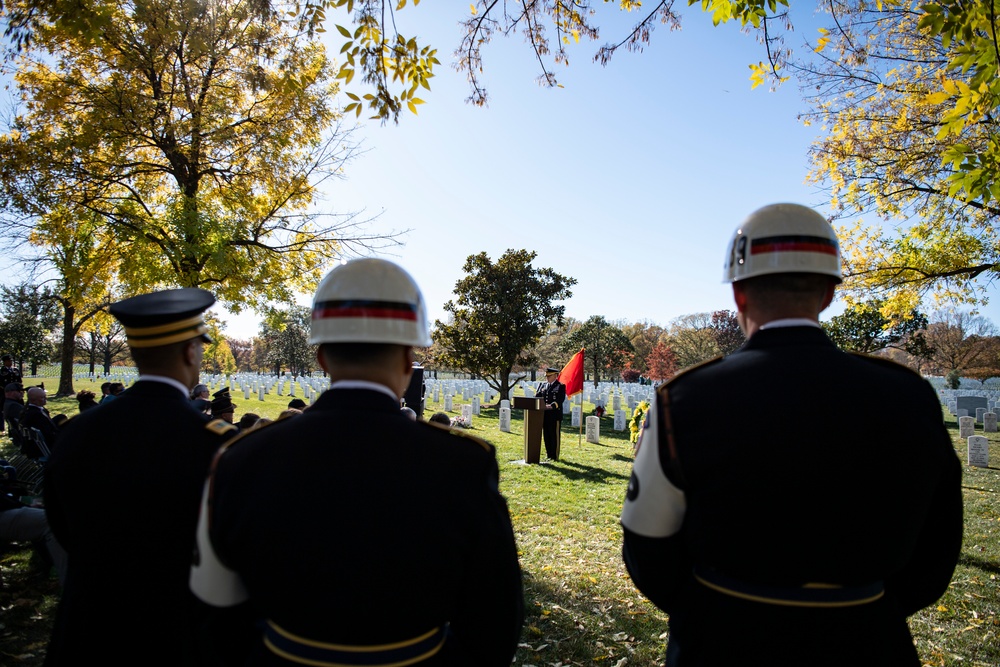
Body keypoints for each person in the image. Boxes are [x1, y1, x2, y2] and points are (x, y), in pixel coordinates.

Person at [620, 203, 963, 667]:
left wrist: (712, 607)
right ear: (827, 293)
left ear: (739, 294)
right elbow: (938, 549)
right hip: (868, 640)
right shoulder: (909, 396)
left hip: (721, 642)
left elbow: (648, 551)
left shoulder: (683, 400)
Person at [191, 258, 524, 666]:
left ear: (321, 359)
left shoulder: (242, 457)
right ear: (408, 359)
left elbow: (216, 612)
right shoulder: (463, 462)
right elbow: (495, 617)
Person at [43, 288, 238, 666]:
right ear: (189, 352)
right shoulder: (216, 445)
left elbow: (62, 527)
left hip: (87, 632)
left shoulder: (77, 433)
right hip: (176, 633)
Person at [536, 366, 566, 461]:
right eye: (546, 376)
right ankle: (549, 454)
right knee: (547, 436)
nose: (547, 378)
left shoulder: (560, 386)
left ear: (555, 376)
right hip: (544, 415)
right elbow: (537, 397)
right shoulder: (543, 385)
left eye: (549, 376)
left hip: (554, 415)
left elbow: (560, 399)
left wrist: (552, 406)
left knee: (554, 436)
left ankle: (554, 456)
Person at [20, 386, 60, 456]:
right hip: (43, 449)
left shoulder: (31, 410)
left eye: (45, 396)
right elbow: (49, 435)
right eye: (42, 397)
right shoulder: (36, 415)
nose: (45, 399)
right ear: (33, 400)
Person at [0, 354, 22, 432]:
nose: (10, 362)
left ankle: (19, 425)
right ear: (5, 362)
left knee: (20, 408)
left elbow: (19, 380)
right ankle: (2, 427)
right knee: (2, 410)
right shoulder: (2, 371)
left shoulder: (15, 370)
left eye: (11, 361)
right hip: (5, 393)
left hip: (16, 393)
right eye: (8, 361)